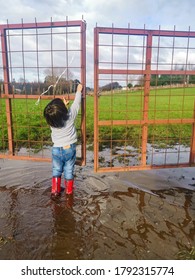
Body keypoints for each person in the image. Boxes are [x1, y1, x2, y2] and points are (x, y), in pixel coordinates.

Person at [43, 83, 83, 197]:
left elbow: (57, 115)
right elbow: (76, 103)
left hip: (56, 150)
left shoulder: (51, 122)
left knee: (56, 170)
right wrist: (79, 90)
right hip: (69, 149)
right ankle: (69, 192)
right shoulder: (70, 117)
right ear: (64, 111)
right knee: (69, 170)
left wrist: (63, 108)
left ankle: (55, 191)